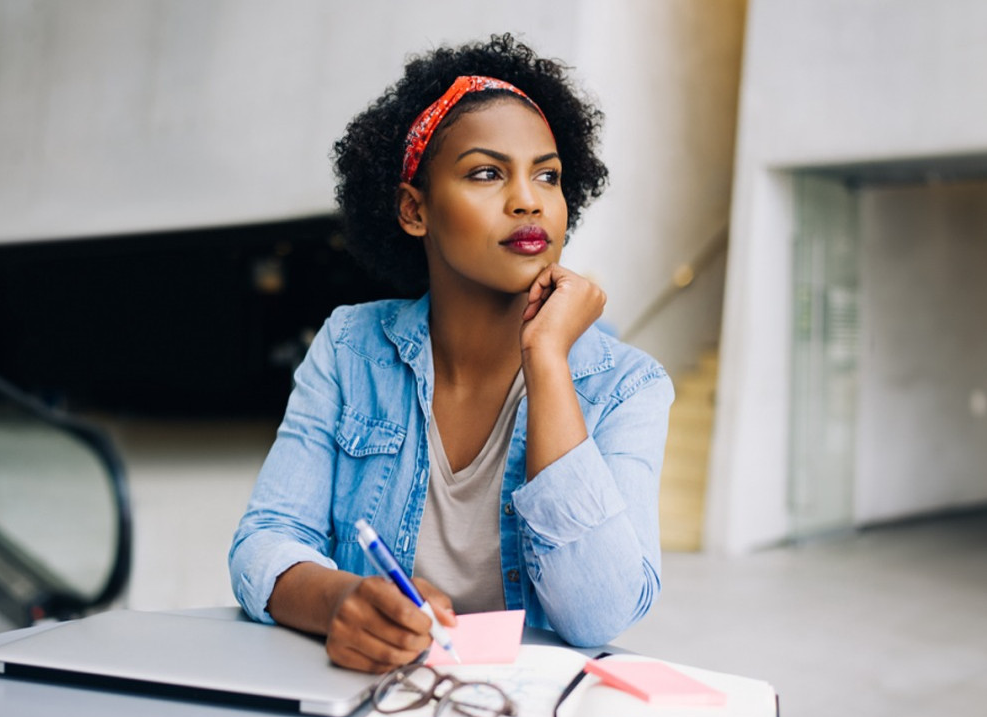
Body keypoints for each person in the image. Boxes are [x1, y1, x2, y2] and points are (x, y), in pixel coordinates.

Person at [228, 34, 673, 674]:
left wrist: (548, 361)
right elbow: (264, 540)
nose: (529, 199)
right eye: (487, 173)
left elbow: (597, 614)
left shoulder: (629, 385)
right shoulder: (352, 347)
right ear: (415, 210)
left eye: (546, 175)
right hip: (373, 699)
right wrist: (340, 601)